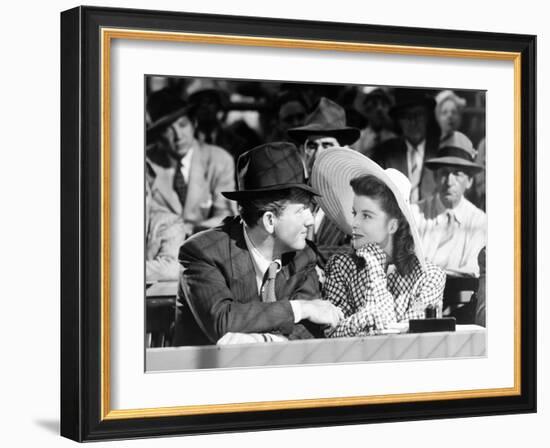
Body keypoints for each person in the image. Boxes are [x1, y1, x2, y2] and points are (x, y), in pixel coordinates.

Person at [173, 142, 344, 346]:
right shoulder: (203, 252)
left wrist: (264, 340)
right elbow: (223, 320)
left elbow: (310, 329)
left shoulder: (303, 255)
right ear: (269, 221)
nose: (309, 220)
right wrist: (300, 308)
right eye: (301, 210)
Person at [311, 148, 445, 337]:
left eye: (367, 215)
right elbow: (330, 333)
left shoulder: (429, 276)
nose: (355, 223)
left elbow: (397, 331)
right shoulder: (340, 266)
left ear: (392, 225)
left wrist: (374, 268)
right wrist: (367, 316)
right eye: (354, 213)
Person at [146, 87, 237, 237]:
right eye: (168, 130)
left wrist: (192, 230)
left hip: (204, 247)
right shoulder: (145, 163)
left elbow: (227, 215)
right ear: (157, 136)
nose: (178, 136)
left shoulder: (219, 160)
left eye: (183, 125)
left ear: (194, 123)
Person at [287, 97, 357, 266]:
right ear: (303, 152)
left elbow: (355, 252)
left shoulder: (356, 199)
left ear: (344, 151)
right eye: (312, 146)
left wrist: (303, 256)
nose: (319, 154)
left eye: (326, 145)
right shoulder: (291, 195)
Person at [411, 131, 486, 277]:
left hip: (460, 297)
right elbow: (407, 264)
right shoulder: (415, 214)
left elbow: (471, 271)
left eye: (457, 174)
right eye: (444, 172)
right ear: (435, 176)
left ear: (469, 181)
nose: (450, 182)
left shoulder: (479, 221)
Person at [371, 90, 439, 202]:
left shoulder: (441, 151)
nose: (413, 122)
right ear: (398, 121)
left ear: (427, 117)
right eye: (406, 116)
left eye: (418, 114)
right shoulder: (384, 153)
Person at [352, 86, 397, 158]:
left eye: (383, 104)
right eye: (374, 104)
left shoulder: (393, 138)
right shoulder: (358, 139)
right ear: (366, 110)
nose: (379, 109)